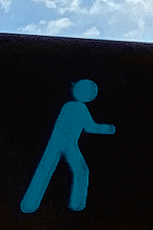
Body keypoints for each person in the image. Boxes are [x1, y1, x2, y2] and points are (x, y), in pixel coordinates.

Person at [21, 79, 115, 213]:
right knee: (78, 170)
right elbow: (90, 127)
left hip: (61, 143)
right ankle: (74, 204)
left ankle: (72, 204)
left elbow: (86, 127)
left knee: (49, 170)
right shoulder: (77, 107)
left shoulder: (70, 106)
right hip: (63, 143)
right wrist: (110, 129)